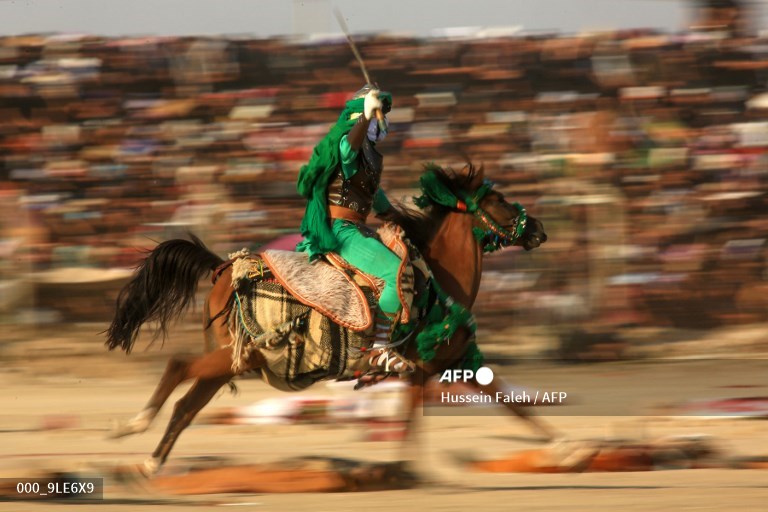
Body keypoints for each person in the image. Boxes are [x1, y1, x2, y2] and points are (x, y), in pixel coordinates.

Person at [296, 84, 413, 380]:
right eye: (377, 115)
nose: (381, 120)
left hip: (359, 228)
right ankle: (380, 347)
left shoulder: (372, 163)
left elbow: (384, 206)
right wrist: (363, 116)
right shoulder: (348, 150)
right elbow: (350, 147)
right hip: (341, 231)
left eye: (381, 115)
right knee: (395, 273)